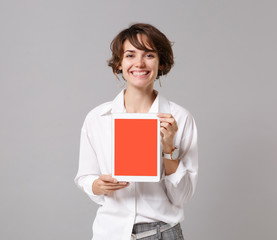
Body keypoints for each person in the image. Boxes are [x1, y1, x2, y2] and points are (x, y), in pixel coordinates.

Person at [74, 23, 198, 240]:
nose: (139, 63)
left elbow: (181, 196)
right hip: (110, 233)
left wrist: (169, 148)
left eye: (149, 55)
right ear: (119, 64)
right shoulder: (97, 119)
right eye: (130, 55)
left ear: (161, 64)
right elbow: (85, 176)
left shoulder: (179, 118)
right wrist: (97, 185)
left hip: (162, 233)